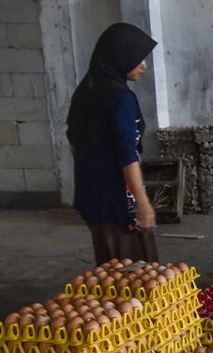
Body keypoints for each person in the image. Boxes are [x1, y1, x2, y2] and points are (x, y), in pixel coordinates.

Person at [66, 22, 159, 266]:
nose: (144, 65)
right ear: (119, 57)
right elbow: (127, 154)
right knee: (135, 273)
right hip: (118, 202)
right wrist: (141, 201)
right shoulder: (120, 98)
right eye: (137, 58)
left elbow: (74, 144)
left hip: (92, 197)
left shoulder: (85, 92)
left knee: (109, 267)